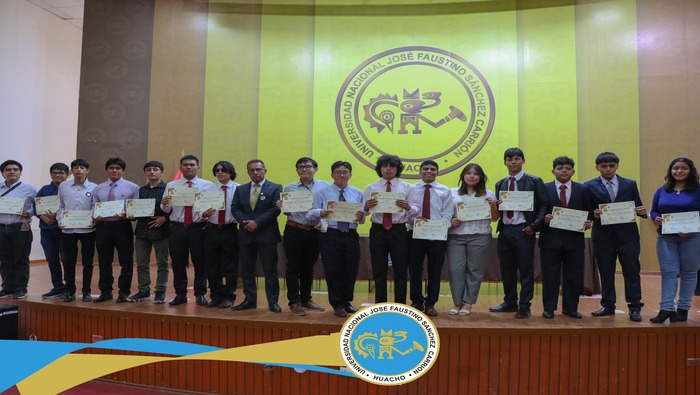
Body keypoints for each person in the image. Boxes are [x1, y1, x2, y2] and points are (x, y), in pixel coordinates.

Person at [584, 152, 646, 322]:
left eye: (612, 165)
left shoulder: (630, 184)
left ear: (617, 165)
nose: (608, 169)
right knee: (606, 272)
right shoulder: (588, 186)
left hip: (628, 237)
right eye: (604, 166)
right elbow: (586, 212)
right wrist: (593, 214)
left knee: (632, 271)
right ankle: (608, 305)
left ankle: (634, 306)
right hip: (603, 237)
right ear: (597, 167)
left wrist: (642, 211)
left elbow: (638, 206)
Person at [490, 148, 547, 319]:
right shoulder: (501, 183)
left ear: (523, 161)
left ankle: (524, 306)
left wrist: (534, 227)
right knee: (506, 269)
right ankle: (509, 302)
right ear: (504, 162)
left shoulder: (534, 181)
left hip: (524, 230)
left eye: (517, 159)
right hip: (505, 230)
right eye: (509, 159)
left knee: (526, 270)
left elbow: (544, 206)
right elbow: (498, 211)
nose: (513, 162)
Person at [307, 161, 365, 317]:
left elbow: (362, 219)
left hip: (351, 235)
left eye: (345, 172)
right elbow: (310, 214)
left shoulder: (358, 193)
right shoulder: (322, 192)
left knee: (350, 269)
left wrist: (361, 216)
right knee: (332, 269)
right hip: (330, 234)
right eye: (338, 172)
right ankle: (337, 304)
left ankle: (347, 302)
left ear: (350, 175)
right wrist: (321, 212)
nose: (342, 175)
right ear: (332, 175)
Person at [539, 156, 592, 319]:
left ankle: (571, 308)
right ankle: (549, 308)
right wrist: (544, 219)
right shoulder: (543, 188)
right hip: (550, 240)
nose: (564, 171)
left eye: (567, 168)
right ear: (553, 171)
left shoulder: (582, 189)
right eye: (560, 168)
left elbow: (589, 210)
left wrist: (589, 220)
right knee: (550, 276)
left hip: (574, 241)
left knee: (574, 276)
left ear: (573, 171)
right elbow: (537, 211)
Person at [649, 157, 700, 323]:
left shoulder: (698, 190)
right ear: (670, 171)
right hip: (666, 237)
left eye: (683, 168)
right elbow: (654, 211)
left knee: (689, 273)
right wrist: (655, 218)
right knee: (669, 273)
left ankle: (683, 309)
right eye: (675, 168)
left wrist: (690, 229)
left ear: (690, 171)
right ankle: (666, 308)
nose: (679, 171)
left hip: (692, 237)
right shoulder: (662, 190)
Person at [277, 157, 329, 316]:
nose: (304, 169)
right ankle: (294, 301)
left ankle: (306, 299)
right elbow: (287, 211)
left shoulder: (325, 186)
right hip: (294, 229)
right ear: (297, 170)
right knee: (293, 266)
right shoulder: (290, 188)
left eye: (308, 167)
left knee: (308, 266)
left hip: (314, 231)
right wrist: (282, 207)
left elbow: (328, 207)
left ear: (315, 169)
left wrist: (323, 222)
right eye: (300, 167)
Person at [363, 154, 417, 305]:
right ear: (380, 169)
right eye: (385, 166)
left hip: (399, 230)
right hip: (378, 229)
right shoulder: (371, 188)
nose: (388, 169)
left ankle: (400, 304)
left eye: (392, 166)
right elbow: (364, 212)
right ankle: (380, 304)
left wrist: (408, 207)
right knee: (379, 269)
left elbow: (416, 209)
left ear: (397, 169)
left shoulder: (407, 187)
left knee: (400, 270)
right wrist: (366, 207)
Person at [231, 159, 283, 313]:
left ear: (265, 171)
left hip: (267, 235)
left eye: (258, 169)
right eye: (252, 170)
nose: (255, 172)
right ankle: (249, 300)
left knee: (270, 271)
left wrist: (257, 223)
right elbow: (235, 208)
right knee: (247, 270)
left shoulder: (275, 187)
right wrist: (247, 223)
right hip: (246, 234)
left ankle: (273, 302)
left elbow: (276, 209)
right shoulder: (240, 189)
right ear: (248, 172)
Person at [447, 163, 499, 316]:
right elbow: (445, 213)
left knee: (475, 270)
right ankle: (457, 302)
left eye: (475, 174)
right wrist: (451, 222)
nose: (471, 176)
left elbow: (495, 218)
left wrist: (493, 205)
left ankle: (468, 303)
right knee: (455, 270)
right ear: (463, 176)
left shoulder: (488, 194)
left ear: (481, 177)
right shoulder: (452, 193)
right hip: (455, 236)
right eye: (468, 173)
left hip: (480, 235)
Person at [161, 155, 212, 307]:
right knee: (178, 263)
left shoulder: (208, 185)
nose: (188, 167)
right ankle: (180, 294)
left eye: (192, 165)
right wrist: (164, 204)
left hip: (199, 228)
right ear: (181, 167)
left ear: (198, 167)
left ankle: (200, 294)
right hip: (177, 228)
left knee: (200, 262)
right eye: (185, 165)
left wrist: (207, 213)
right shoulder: (171, 185)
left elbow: (210, 206)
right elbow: (167, 209)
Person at [407, 160, 453, 317]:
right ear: (420, 172)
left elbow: (447, 213)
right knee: (415, 269)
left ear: (437, 172)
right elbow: (407, 212)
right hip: (415, 233)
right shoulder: (411, 189)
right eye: (425, 169)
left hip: (437, 236)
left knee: (435, 270)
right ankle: (417, 301)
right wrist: (416, 222)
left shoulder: (445, 191)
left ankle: (431, 303)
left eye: (433, 169)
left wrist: (439, 229)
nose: (429, 171)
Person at [91, 157, 139, 303]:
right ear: (107, 170)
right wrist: (95, 215)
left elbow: (135, 208)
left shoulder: (133, 187)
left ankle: (124, 292)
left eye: (118, 168)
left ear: (123, 170)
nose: (114, 171)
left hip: (122, 226)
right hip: (103, 226)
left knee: (126, 260)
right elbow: (93, 206)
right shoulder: (98, 188)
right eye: (111, 168)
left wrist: (129, 214)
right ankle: (105, 291)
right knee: (104, 261)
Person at [128, 161, 170, 304]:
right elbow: (136, 210)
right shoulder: (140, 190)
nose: (152, 172)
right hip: (142, 231)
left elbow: (176, 209)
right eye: (148, 170)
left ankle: (160, 291)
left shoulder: (168, 189)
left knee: (162, 263)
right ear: (145, 173)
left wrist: (165, 218)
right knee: (141, 263)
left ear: (161, 172)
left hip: (162, 231)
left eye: (155, 169)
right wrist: (132, 214)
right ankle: (144, 290)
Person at [57, 159, 97, 302]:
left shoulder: (94, 187)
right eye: (75, 167)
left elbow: (95, 207)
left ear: (87, 170)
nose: (79, 170)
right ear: (71, 171)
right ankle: (69, 290)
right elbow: (61, 205)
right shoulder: (63, 185)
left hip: (88, 230)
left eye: (82, 167)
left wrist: (92, 219)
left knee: (87, 262)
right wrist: (60, 220)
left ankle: (86, 291)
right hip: (68, 230)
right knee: (68, 262)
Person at [201, 161, 239, 309]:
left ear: (231, 172)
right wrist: (204, 214)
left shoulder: (239, 189)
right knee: (212, 265)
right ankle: (216, 296)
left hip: (230, 229)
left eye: (224, 170)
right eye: (217, 170)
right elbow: (199, 210)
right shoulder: (207, 189)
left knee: (230, 265)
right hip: (211, 229)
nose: (220, 173)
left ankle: (229, 296)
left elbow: (242, 210)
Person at [0, 160, 37, 299]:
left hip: (21, 227)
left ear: (20, 172)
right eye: (8, 170)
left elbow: (38, 206)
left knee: (21, 258)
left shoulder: (30, 189)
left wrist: (30, 213)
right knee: (4, 258)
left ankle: (21, 288)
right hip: (1, 227)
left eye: (15, 169)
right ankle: (7, 287)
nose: (12, 172)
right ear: (3, 173)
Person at [35, 162, 69, 299]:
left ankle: (69, 287)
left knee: (67, 259)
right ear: (51, 174)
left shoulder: (71, 189)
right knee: (52, 259)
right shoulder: (44, 189)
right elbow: (36, 206)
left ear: (67, 175)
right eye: (55, 172)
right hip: (47, 230)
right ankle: (57, 286)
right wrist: (44, 217)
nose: (57, 175)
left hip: (65, 230)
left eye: (61, 173)